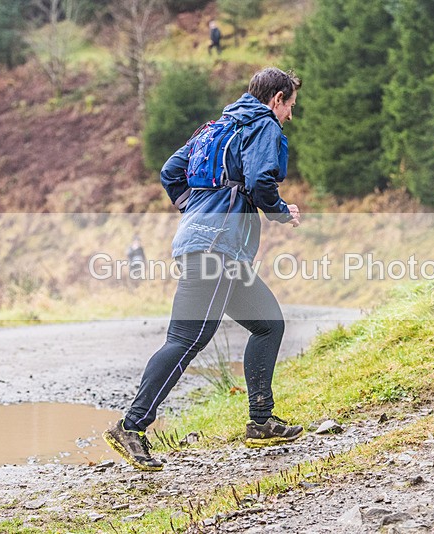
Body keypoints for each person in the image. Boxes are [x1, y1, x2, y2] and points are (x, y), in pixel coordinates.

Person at [104, 67, 303, 470]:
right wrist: (281, 212)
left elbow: (170, 172)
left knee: (268, 324)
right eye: (290, 107)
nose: (289, 117)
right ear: (277, 99)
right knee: (188, 337)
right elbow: (263, 180)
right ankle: (132, 426)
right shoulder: (262, 124)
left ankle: (261, 421)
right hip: (217, 246)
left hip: (209, 243)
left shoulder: (214, 127)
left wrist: (195, 210)